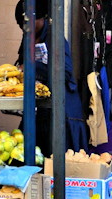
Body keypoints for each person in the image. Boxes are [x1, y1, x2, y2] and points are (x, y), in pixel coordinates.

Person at [14, 1, 88, 157]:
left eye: (26, 24)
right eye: (21, 25)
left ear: (39, 18)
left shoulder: (55, 37)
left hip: (62, 113)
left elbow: (65, 72)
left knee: (58, 163)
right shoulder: (29, 37)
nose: (24, 28)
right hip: (39, 113)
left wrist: (31, 67)